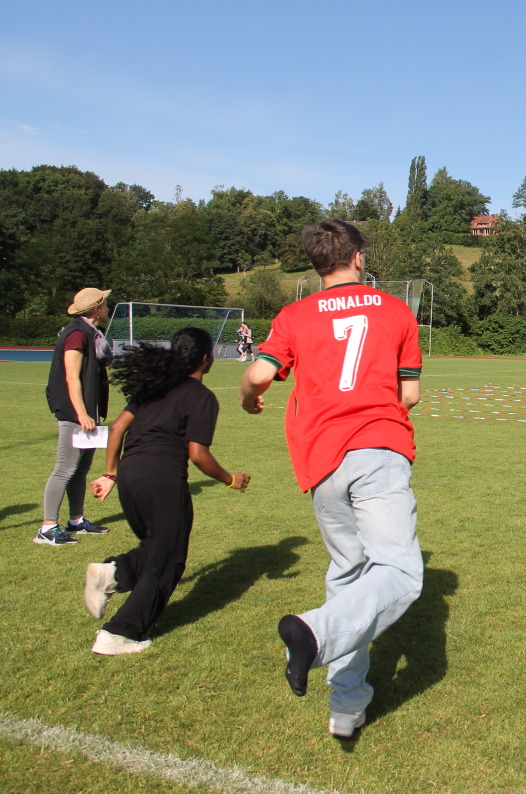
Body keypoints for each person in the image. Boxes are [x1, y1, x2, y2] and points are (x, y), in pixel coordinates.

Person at [239, 219, 423, 739]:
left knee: (346, 575)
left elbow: (259, 375)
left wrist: (249, 399)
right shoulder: (395, 310)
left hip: (321, 460)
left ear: (315, 262)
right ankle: (315, 633)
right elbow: (409, 395)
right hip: (377, 449)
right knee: (401, 573)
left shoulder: (294, 315)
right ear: (358, 257)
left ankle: (346, 705)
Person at [86, 328, 250, 655]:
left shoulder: (154, 385)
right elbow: (198, 455)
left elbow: (117, 427)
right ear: (205, 359)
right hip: (163, 479)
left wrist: (110, 474)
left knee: (157, 547)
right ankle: (121, 633)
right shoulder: (202, 397)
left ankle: (114, 572)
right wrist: (230, 479)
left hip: (130, 475)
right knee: (169, 561)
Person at [38, 288, 114, 546]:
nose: (108, 308)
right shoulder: (77, 334)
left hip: (89, 412)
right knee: (64, 469)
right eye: (105, 304)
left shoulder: (90, 333)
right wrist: (81, 413)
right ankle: (47, 528)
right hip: (74, 413)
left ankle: (76, 521)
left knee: (80, 470)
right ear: (96, 309)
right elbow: (71, 378)